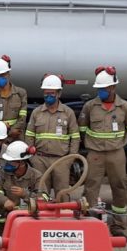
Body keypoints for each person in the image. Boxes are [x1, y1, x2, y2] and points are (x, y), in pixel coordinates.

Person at [78, 66, 127, 239]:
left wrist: (123, 144)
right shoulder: (90, 106)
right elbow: (82, 128)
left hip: (116, 153)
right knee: (91, 188)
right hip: (95, 153)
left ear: (113, 88)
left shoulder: (124, 107)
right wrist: (91, 143)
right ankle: (89, 221)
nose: (101, 92)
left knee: (119, 187)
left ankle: (118, 225)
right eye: (99, 89)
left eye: (104, 89)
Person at [25, 74, 80, 202]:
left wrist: (70, 159)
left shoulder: (68, 113)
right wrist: (33, 158)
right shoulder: (37, 112)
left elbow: (75, 137)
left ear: (59, 94)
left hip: (61, 161)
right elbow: (29, 135)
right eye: (46, 93)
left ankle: (64, 221)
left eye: (52, 93)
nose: (48, 96)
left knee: (63, 195)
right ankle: (42, 222)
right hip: (40, 160)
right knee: (41, 196)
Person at [0, 141, 41, 235]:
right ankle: (1, 234)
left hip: (27, 211)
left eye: (12, 162)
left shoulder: (36, 176)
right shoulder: (3, 173)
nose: (8, 164)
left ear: (22, 163)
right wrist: (4, 201)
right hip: (9, 208)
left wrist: (25, 194)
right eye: (8, 161)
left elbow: (43, 199)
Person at [0, 55, 28, 141]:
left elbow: (22, 117)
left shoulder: (21, 93)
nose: (0, 78)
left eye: (2, 75)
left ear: (8, 74)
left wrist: (11, 130)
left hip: (15, 138)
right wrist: (5, 130)